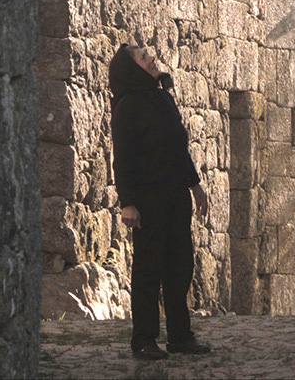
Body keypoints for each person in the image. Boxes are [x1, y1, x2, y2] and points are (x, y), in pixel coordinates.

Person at [108, 43, 212, 361]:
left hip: (176, 196)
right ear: (131, 69)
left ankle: (180, 337)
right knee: (149, 270)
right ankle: (144, 340)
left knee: (180, 266)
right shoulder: (128, 106)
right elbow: (122, 158)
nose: (151, 58)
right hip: (148, 200)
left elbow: (178, 147)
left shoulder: (162, 98)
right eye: (143, 57)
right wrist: (128, 202)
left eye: (148, 54)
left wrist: (195, 186)